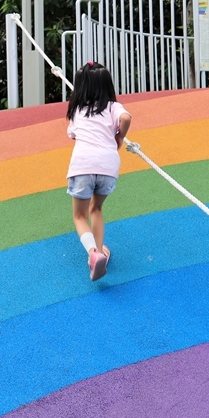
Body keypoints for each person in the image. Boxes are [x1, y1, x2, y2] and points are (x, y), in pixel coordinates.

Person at [65, 62, 132, 281]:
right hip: (108, 166)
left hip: (83, 165)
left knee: (79, 215)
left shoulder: (77, 111)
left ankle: (93, 253)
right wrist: (120, 136)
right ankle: (101, 250)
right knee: (97, 209)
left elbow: (73, 135)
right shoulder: (114, 107)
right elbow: (126, 118)